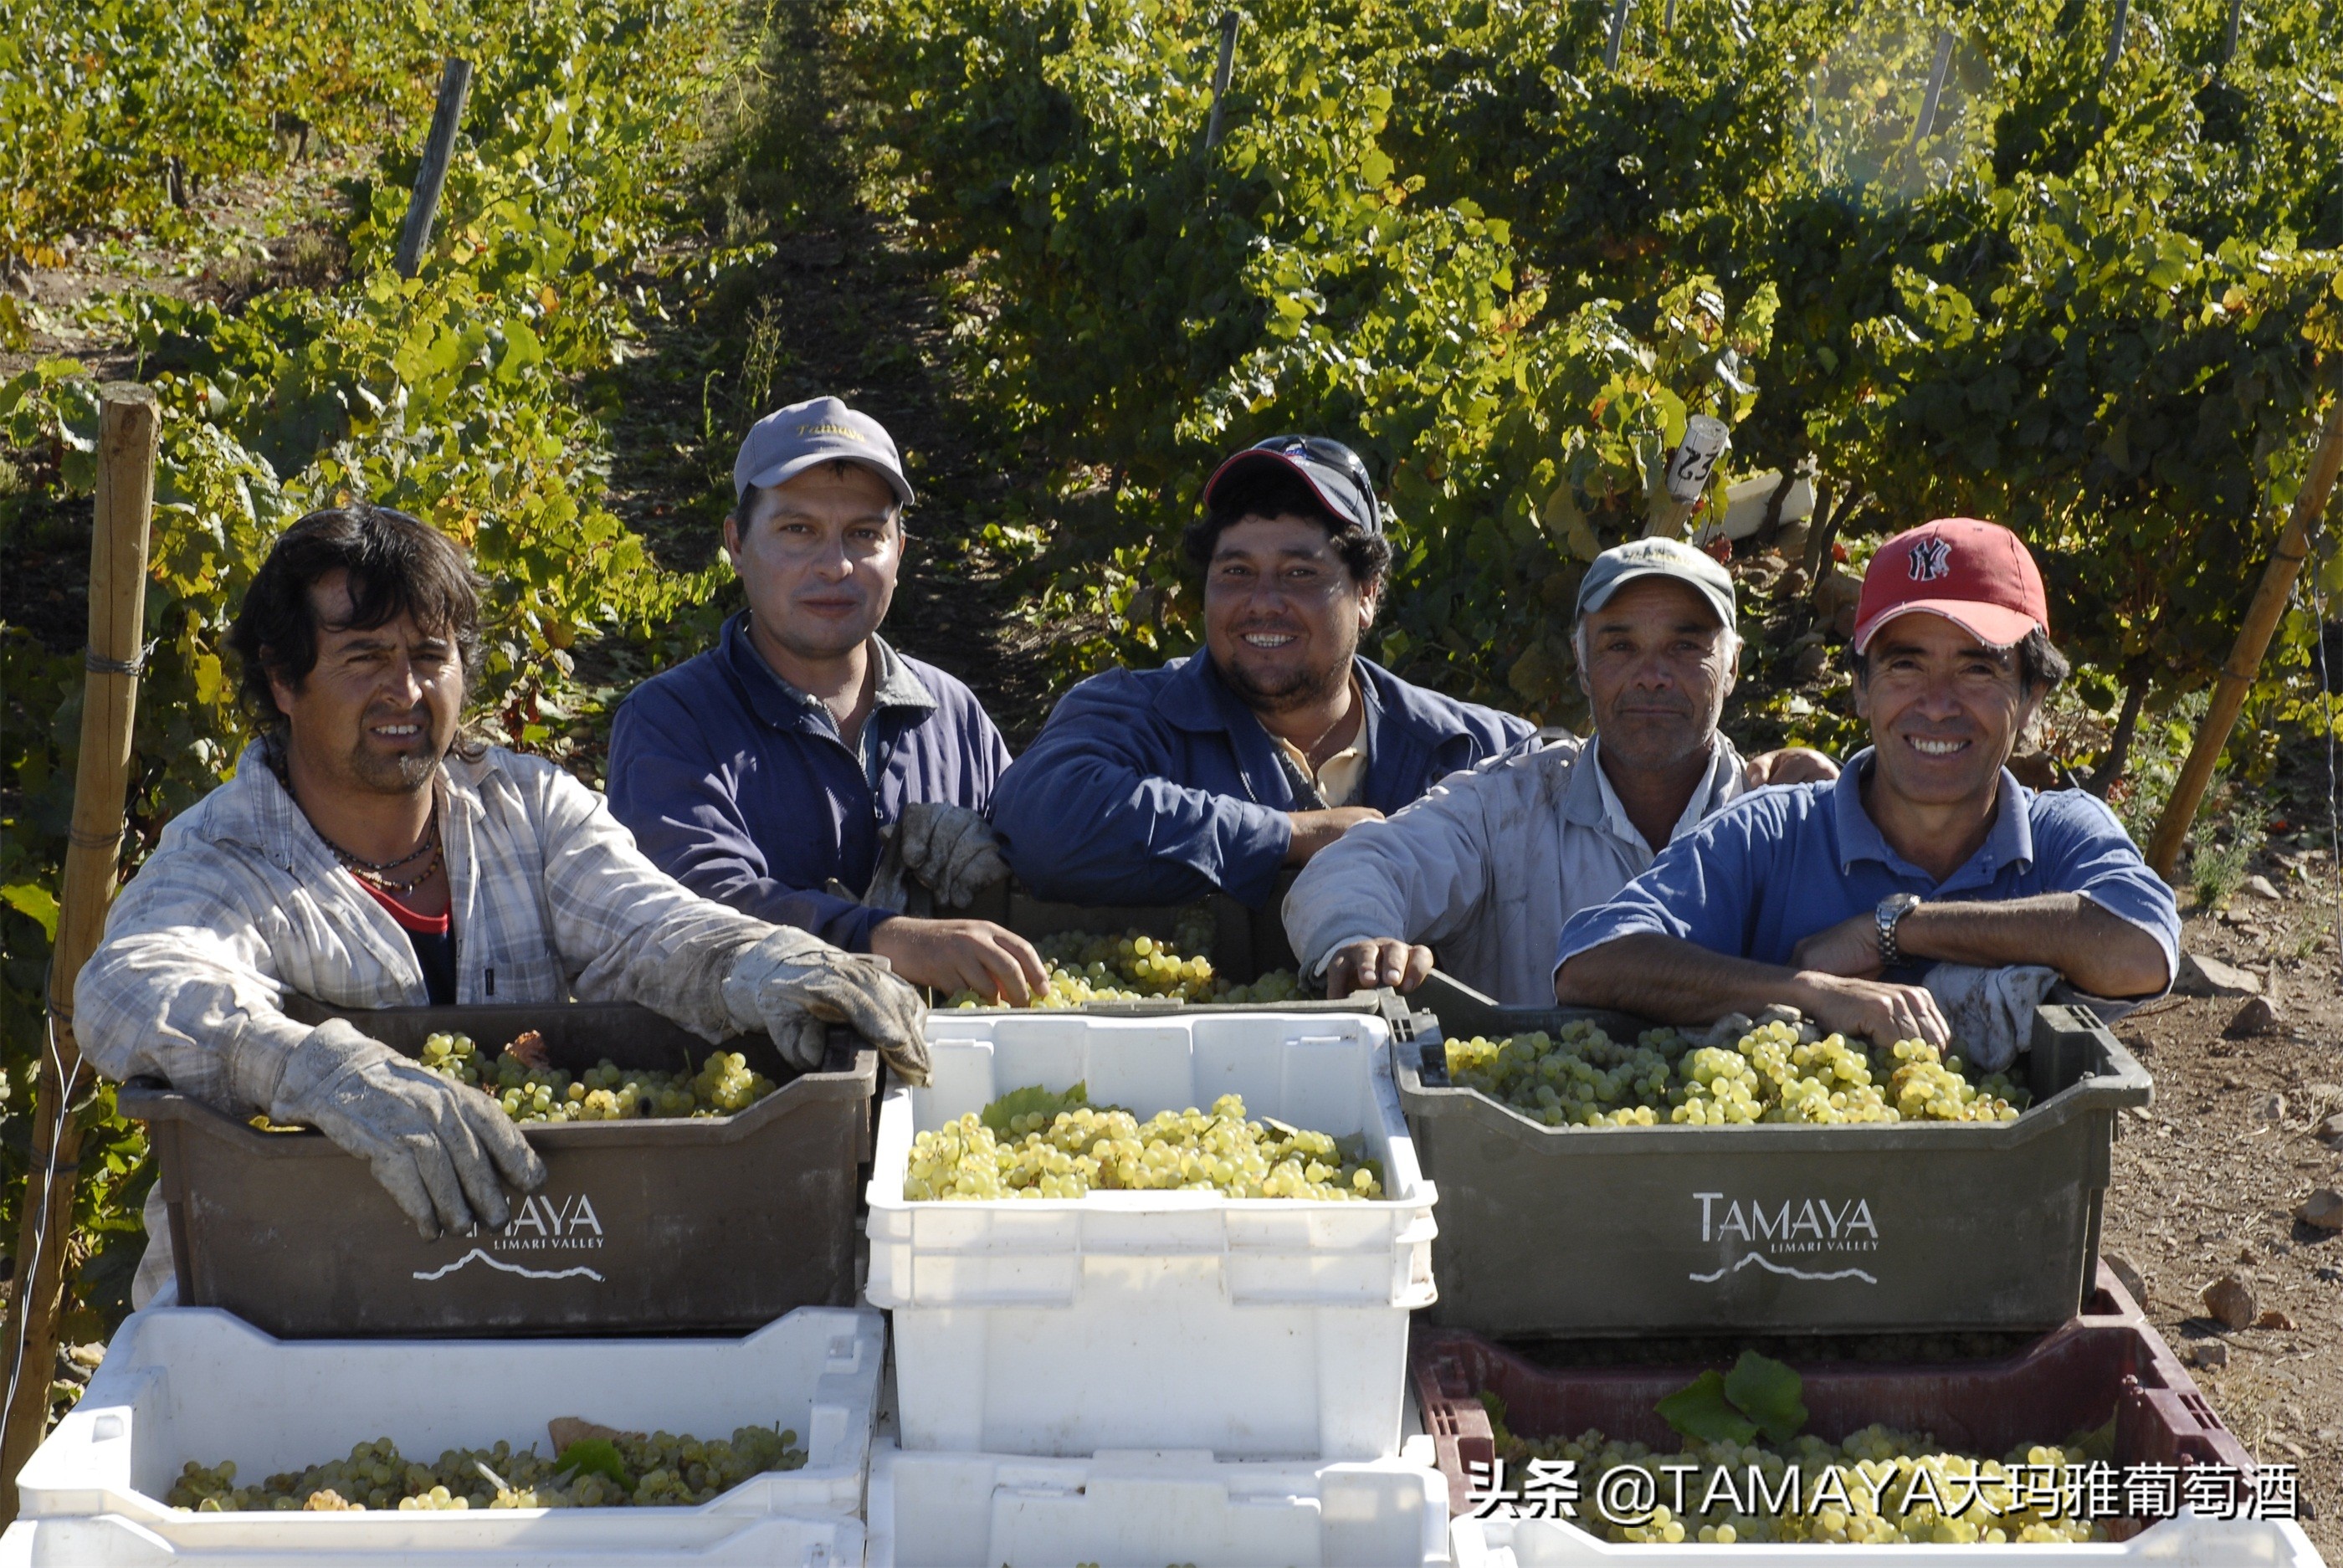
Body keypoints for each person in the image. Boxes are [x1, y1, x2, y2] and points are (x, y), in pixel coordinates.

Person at [77, 504, 931, 1268]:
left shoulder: (529, 811)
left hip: (530, 1261)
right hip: (289, 1290)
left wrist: (760, 960)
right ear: (283, 681)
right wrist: (317, 1069)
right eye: (363, 656)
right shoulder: (228, 851)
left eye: (429, 656)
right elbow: (128, 985)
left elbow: (647, 924)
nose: (404, 691)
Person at [1552, 518, 2177, 1062]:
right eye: (1905, 664)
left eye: (1977, 668)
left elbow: (2140, 946)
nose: (1937, 705)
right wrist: (1805, 991)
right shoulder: (1772, 833)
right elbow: (1592, 963)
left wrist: (1896, 930)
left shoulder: (2062, 833)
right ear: (1860, 688)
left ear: (2032, 694)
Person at [608, 397, 1046, 1004]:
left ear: (900, 550)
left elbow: (1030, 874)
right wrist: (896, 941)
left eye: (864, 534)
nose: (836, 565)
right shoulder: (672, 722)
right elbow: (698, 910)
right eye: (798, 530)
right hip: (771, 1092)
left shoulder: (951, 714)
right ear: (737, 543)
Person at [1284, 537, 1838, 1005]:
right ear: (1582, 664)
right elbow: (1357, 867)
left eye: (1685, 645)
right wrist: (1358, 936)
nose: (1651, 675)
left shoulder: (1783, 821)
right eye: (1620, 645)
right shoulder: (1509, 804)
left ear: (1734, 665)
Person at [988, 436, 1532, 907]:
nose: (1263, 602)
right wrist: (1288, 838)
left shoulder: (1478, 748)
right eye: (1236, 571)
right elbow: (1042, 817)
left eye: (1299, 573)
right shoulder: (1131, 715)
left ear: (1366, 595)